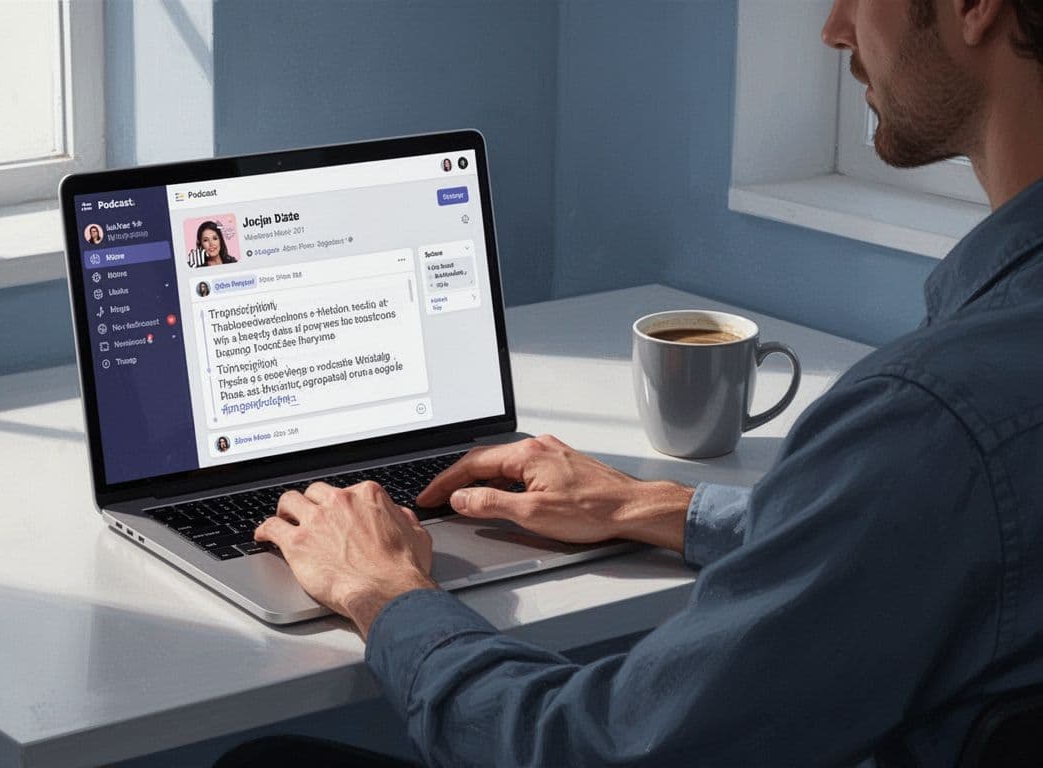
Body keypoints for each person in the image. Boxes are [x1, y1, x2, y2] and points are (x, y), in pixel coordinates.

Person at [244, 0, 1043, 765]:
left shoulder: (938, 419)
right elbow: (926, 535)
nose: (834, 30)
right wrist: (659, 505)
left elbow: (587, 750)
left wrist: (383, 592)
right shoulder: (967, 419)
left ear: (975, 4)